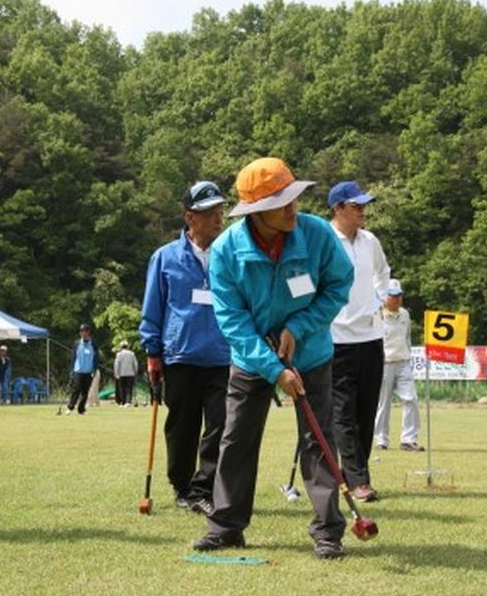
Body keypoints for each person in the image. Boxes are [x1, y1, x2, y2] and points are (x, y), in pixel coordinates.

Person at [193, 157, 353, 559]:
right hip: (252, 358)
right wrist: (273, 368)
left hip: (311, 353)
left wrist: (298, 327)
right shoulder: (226, 250)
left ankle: (328, 531)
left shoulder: (316, 234)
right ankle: (226, 526)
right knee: (236, 439)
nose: (293, 208)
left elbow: (338, 285)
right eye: (282, 203)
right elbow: (232, 320)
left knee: (318, 439)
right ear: (257, 210)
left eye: (293, 198)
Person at [140, 181, 232, 515]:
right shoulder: (165, 257)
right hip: (180, 354)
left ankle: (203, 487)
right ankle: (182, 487)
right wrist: (152, 351)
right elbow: (153, 307)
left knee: (221, 424)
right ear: (190, 217)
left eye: (220, 212)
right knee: (182, 426)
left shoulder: (229, 255)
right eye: (209, 213)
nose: (218, 219)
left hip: (222, 355)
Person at [327, 181, 392, 502]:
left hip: (371, 336)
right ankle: (358, 481)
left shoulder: (370, 241)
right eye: (356, 206)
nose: (363, 211)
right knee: (343, 413)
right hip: (336, 338)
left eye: (364, 205)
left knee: (366, 412)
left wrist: (379, 300)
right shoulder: (325, 240)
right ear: (338, 209)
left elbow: (383, 273)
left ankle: (355, 473)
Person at [373, 279, 423, 451]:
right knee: (383, 403)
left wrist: (408, 358)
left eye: (399, 295)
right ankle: (381, 440)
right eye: (393, 296)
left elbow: (407, 338)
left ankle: (408, 439)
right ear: (384, 297)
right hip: (384, 364)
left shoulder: (405, 314)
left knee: (411, 399)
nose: (397, 299)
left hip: (403, 362)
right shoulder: (377, 315)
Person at [67, 324, 99, 414]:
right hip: (78, 370)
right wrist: (71, 370)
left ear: (88, 332)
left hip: (88, 371)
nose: (83, 333)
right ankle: (70, 407)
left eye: (85, 331)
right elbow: (73, 357)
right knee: (76, 389)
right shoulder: (77, 343)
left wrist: (94, 369)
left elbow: (96, 358)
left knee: (85, 392)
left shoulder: (93, 344)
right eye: (81, 331)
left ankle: (81, 409)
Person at [113, 341, 138, 407]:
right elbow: (135, 364)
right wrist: (135, 372)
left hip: (121, 374)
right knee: (129, 388)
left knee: (122, 388)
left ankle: (123, 402)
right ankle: (128, 401)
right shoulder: (132, 354)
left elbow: (116, 364)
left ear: (121, 347)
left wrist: (116, 373)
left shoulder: (119, 354)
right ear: (127, 346)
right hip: (130, 374)